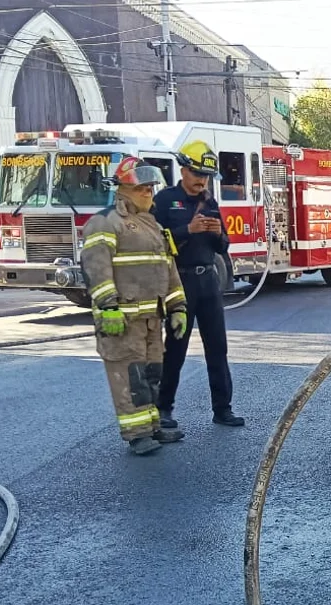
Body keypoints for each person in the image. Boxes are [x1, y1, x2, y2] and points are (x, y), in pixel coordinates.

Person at [80, 157, 188, 456]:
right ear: (122, 189)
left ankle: (151, 426)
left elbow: (168, 270)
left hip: (151, 320)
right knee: (130, 378)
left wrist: (178, 307)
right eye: (141, 188)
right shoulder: (105, 222)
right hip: (122, 321)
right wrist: (108, 307)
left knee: (151, 375)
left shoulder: (153, 225)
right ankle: (136, 434)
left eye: (150, 187)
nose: (148, 192)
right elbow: (96, 268)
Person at [153, 141, 245, 429]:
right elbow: (154, 242)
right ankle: (163, 408)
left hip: (208, 282)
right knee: (175, 348)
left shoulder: (210, 202)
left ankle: (223, 409)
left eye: (205, 176)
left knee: (217, 348)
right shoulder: (165, 200)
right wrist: (187, 230)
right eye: (196, 174)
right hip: (179, 282)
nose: (201, 181)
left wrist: (218, 235)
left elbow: (223, 246)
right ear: (183, 170)